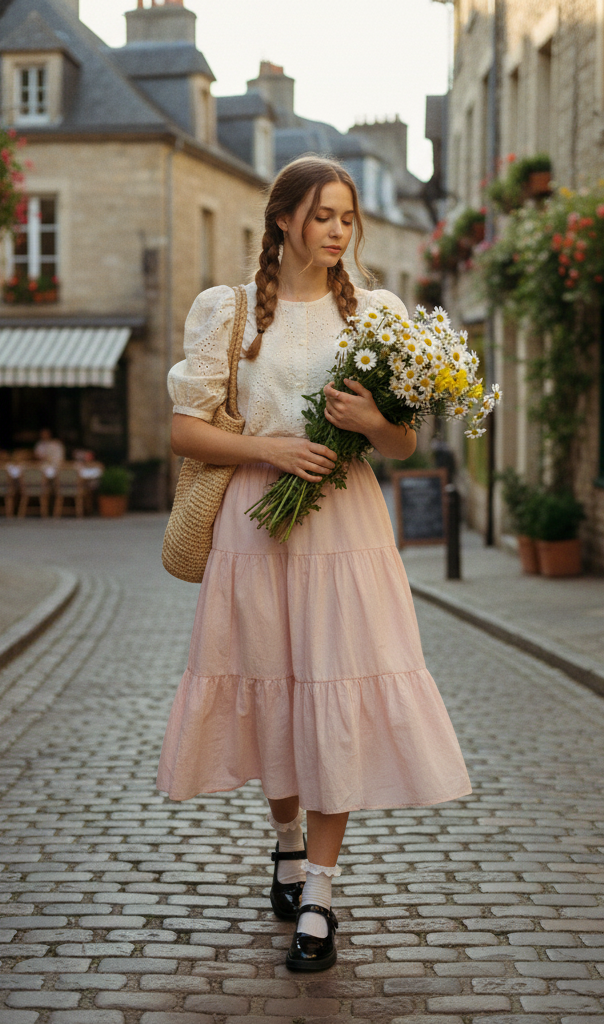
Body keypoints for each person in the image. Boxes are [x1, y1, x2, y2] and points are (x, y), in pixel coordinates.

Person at [157, 155, 471, 972]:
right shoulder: (227, 313)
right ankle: (288, 845)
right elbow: (186, 431)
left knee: (332, 688)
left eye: (347, 218)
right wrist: (267, 448)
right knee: (274, 691)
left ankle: (320, 897)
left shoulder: (377, 313)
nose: (338, 232)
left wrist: (372, 419)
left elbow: (404, 444)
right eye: (324, 216)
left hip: (346, 532)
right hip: (255, 529)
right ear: (284, 219)